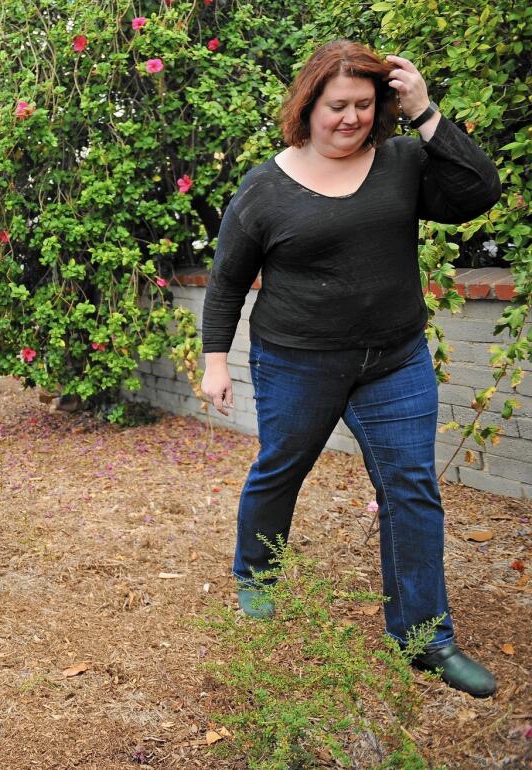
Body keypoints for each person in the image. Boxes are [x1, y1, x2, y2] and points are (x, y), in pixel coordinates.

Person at [200, 41, 501, 698]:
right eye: (338, 105)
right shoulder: (264, 186)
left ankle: (425, 637)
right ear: (309, 106)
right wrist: (215, 362)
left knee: (411, 487)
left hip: (394, 360)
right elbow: (226, 282)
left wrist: (426, 113)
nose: (351, 118)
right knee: (282, 467)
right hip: (297, 362)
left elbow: (479, 191)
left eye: (365, 105)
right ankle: (256, 573)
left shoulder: (400, 164)